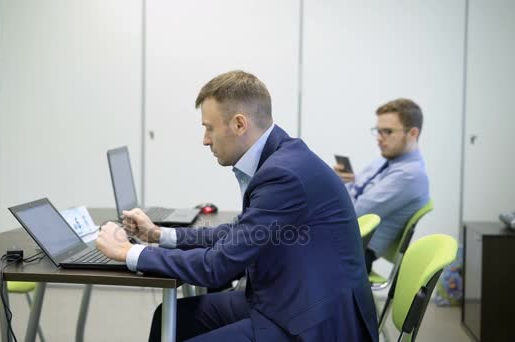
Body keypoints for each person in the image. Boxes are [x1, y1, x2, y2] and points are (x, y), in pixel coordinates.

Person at [97, 70, 378, 341]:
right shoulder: (280, 157)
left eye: (209, 128)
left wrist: (129, 251)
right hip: (289, 299)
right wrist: (158, 234)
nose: (205, 140)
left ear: (239, 124)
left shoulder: (283, 174)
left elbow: (218, 266)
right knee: (170, 319)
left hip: (312, 322)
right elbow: (241, 234)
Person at [333, 98, 430, 273]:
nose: (379, 138)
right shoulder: (384, 161)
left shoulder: (409, 175)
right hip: (341, 242)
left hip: (352, 253)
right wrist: (342, 184)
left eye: (387, 131)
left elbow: (355, 214)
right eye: (378, 131)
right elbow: (352, 194)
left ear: (413, 133)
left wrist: (336, 189)